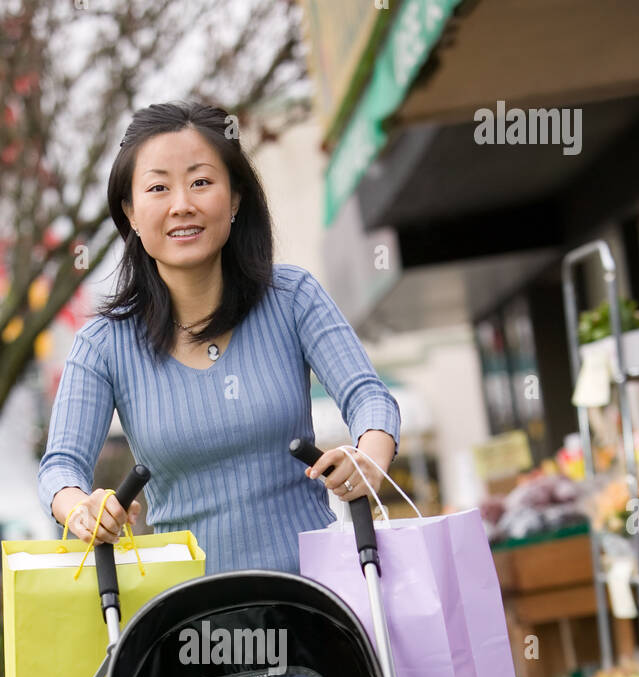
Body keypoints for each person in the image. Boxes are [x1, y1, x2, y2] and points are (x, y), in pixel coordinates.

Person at [37, 100, 401, 580]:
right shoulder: (102, 345)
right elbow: (59, 467)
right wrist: (82, 508)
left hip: (319, 600)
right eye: (158, 187)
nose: (182, 203)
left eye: (201, 181)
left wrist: (368, 460)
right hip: (189, 623)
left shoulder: (292, 297)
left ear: (234, 200)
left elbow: (369, 397)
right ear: (130, 211)